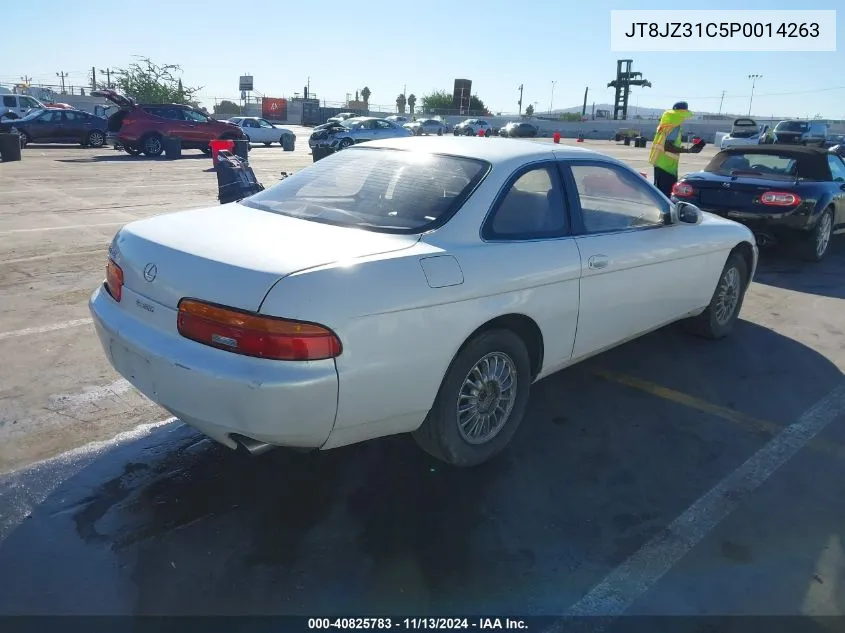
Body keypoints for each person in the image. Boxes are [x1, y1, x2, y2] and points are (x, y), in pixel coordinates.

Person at [649, 101, 696, 197]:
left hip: (659, 162)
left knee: (659, 194)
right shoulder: (674, 127)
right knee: (666, 195)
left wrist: (679, 148)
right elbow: (668, 146)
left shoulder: (664, 125)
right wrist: (687, 150)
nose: (683, 118)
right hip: (667, 166)